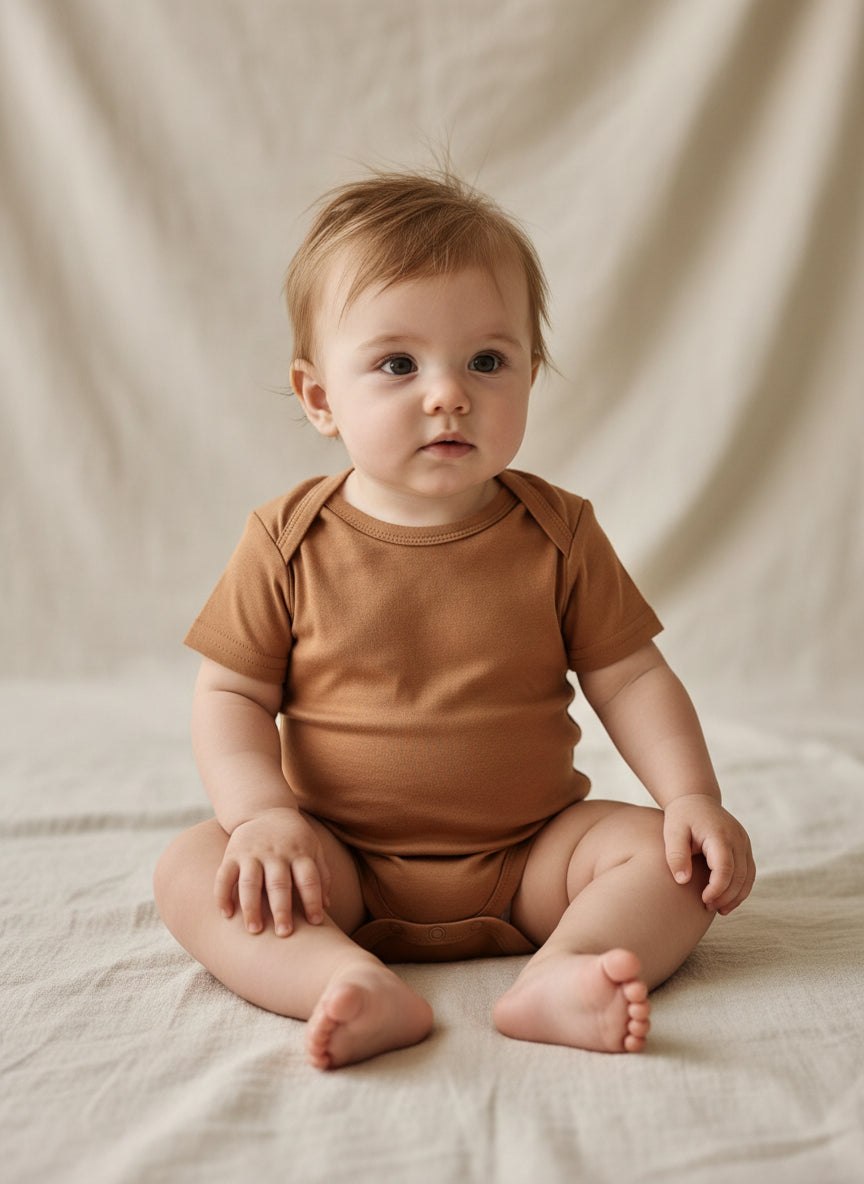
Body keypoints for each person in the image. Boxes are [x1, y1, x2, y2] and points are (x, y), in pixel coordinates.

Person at [153, 169, 755, 1071]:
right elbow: (231, 694)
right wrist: (262, 817)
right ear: (319, 398)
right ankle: (338, 979)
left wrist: (691, 799)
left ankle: (567, 970)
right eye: (399, 364)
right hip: (339, 862)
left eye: (487, 360)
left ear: (530, 373)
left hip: (532, 861)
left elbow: (631, 676)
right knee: (193, 870)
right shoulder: (286, 540)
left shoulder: (559, 532)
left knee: (670, 866)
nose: (449, 394)